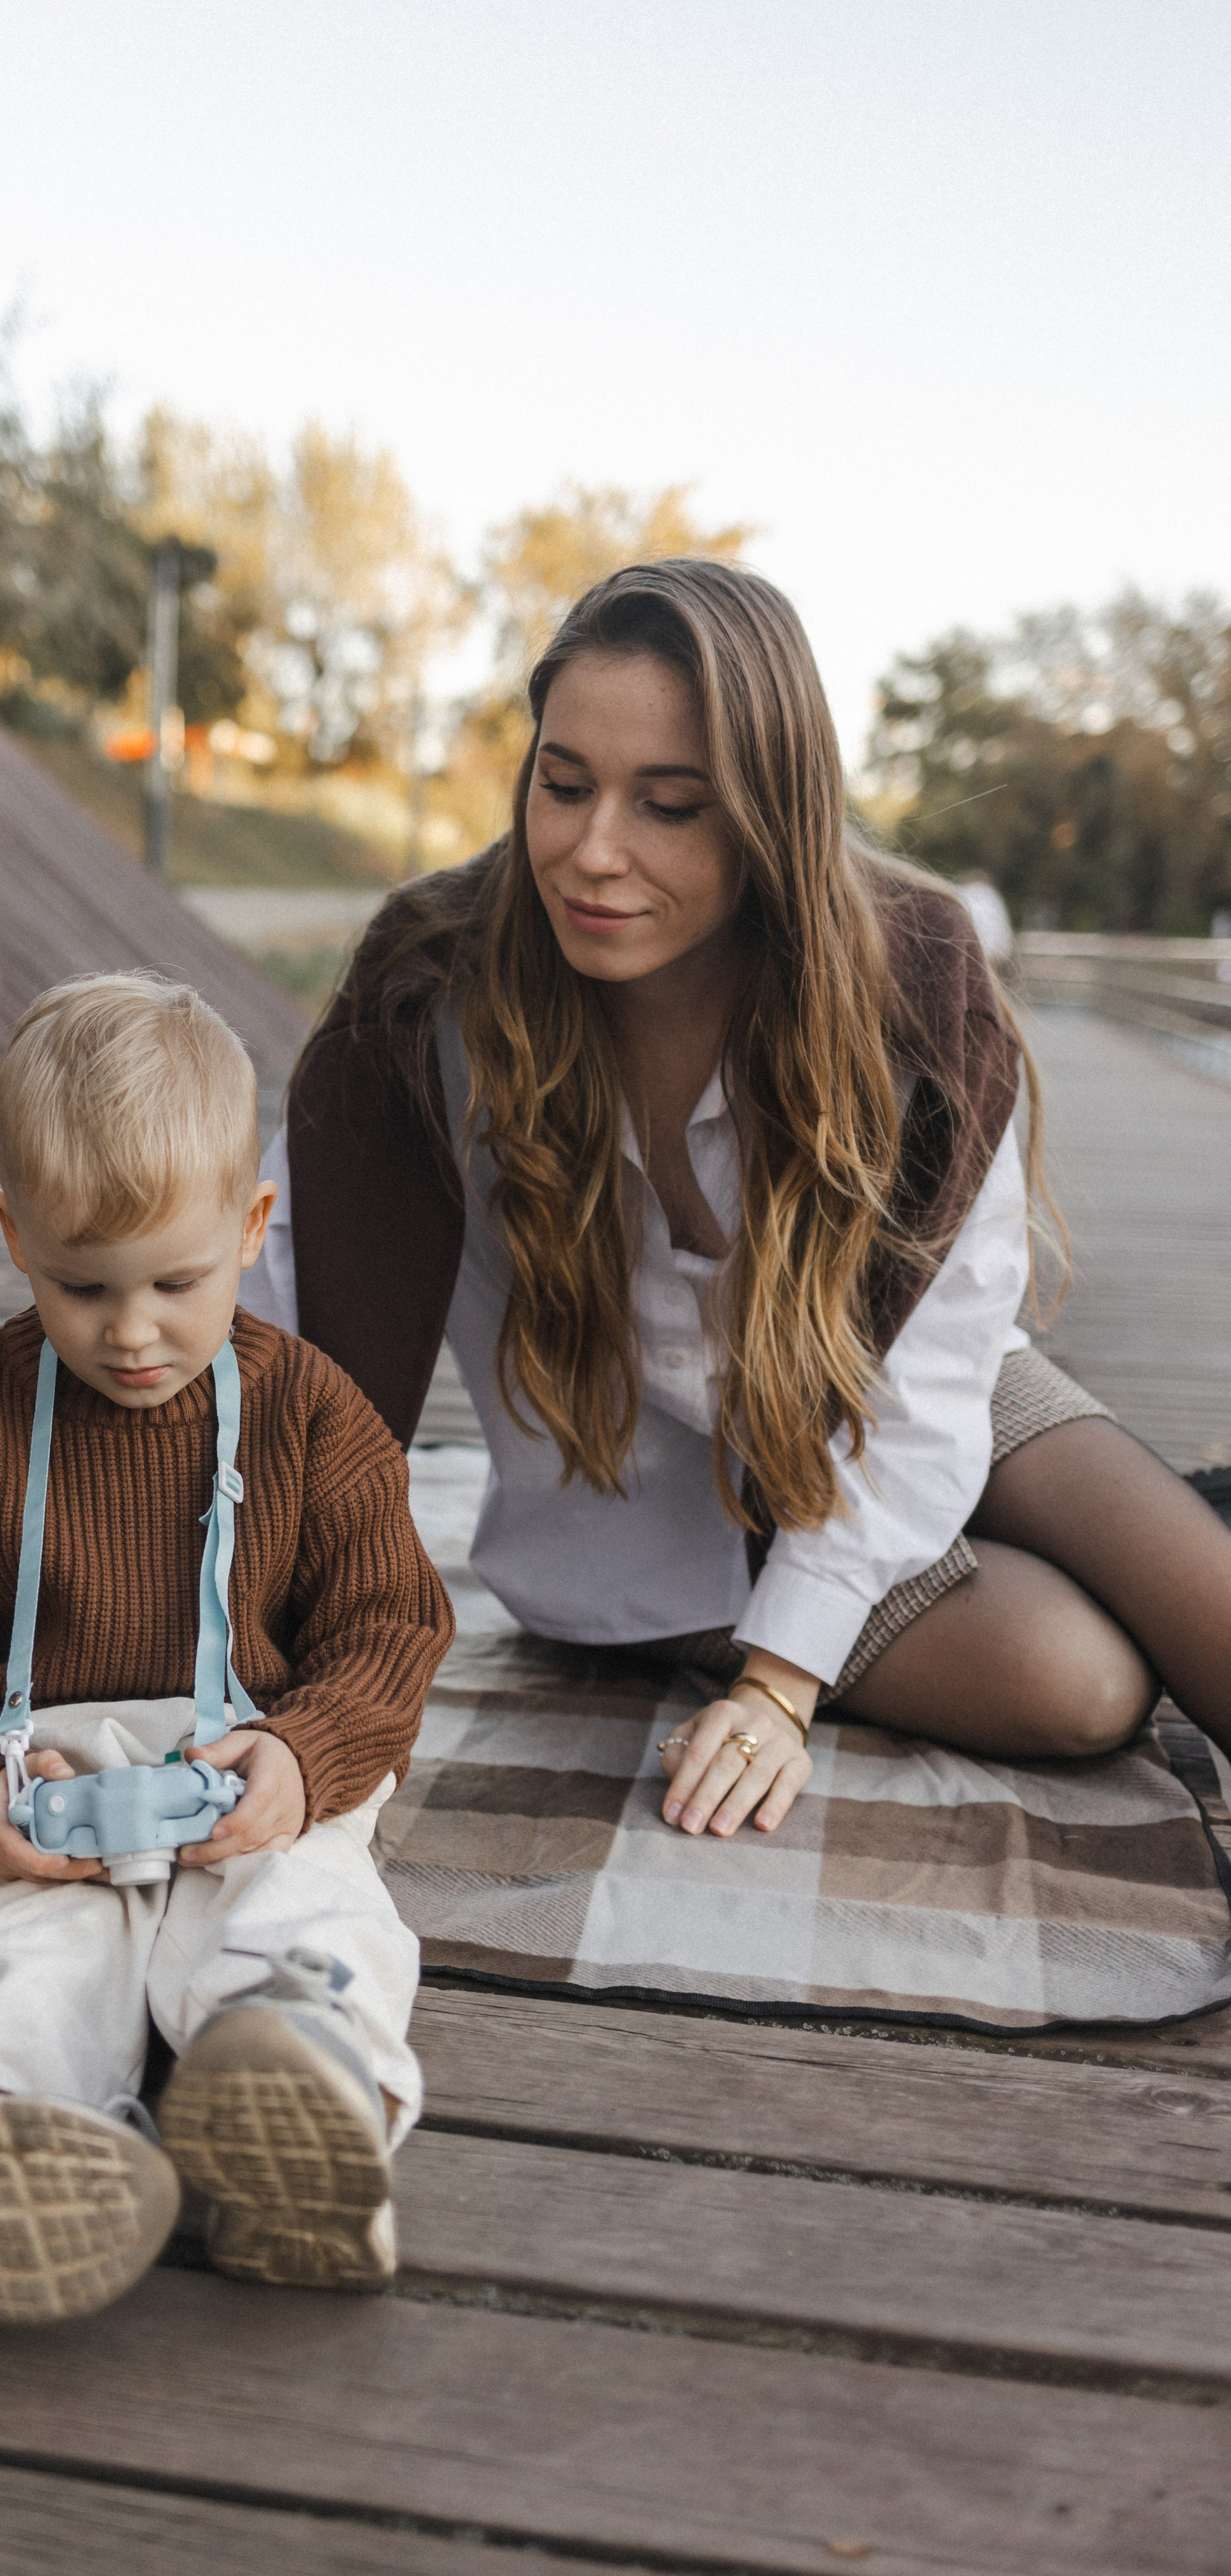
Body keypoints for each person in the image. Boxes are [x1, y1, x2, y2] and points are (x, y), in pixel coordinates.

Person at [240, 558, 1231, 1847]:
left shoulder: (914, 984)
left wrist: (783, 1688)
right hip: (652, 1492)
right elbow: (293, 1324)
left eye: (670, 806)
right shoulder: (431, 992)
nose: (594, 853)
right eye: (565, 783)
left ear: (769, 814)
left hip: (887, 1376)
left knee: (1201, 1602)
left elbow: (934, 1366)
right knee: (1083, 1682)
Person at [0, 974, 451, 2344]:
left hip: (244, 1768)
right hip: (32, 1778)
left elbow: (390, 1625)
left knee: (303, 1912)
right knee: (1, 1945)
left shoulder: (313, 1415)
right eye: (84, 1286)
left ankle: (299, 2094)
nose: (131, 1332)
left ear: (253, 1227)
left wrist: (305, 1757)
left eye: (176, 1284)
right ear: (14, 1237)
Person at [956, 868, 1016, 974]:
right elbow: (1002, 925)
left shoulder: (965, 894)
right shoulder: (992, 895)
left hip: (974, 949)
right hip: (995, 951)